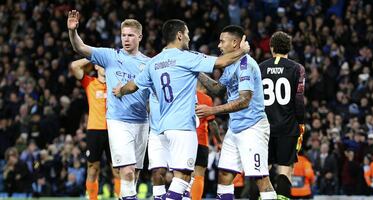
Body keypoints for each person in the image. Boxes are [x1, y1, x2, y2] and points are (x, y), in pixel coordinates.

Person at [113, 19, 249, 199]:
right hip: (182, 126)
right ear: (179, 35)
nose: (189, 38)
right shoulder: (187, 57)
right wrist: (242, 51)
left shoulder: (153, 62)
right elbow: (221, 62)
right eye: (187, 35)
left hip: (161, 127)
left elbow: (131, 86)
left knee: (167, 177)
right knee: (184, 176)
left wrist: (119, 91)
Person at [67, 10, 150, 200]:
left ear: (140, 36)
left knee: (133, 173)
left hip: (141, 122)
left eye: (130, 35)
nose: (126, 39)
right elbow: (80, 48)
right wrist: (73, 32)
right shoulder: (110, 56)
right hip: (117, 122)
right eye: (123, 35)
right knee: (126, 171)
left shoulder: (148, 63)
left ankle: (124, 196)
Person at [196, 25, 277, 200]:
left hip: (253, 127)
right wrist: (196, 71)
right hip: (236, 128)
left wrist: (212, 110)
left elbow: (244, 100)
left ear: (234, 43)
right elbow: (218, 89)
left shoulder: (245, 65)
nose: (219, 45)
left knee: (260, 177)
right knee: (225, 174)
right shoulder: (231, 65)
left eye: (222, 41)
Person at [258, 31, 306, 199]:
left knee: (264, 170)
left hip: (264, 126)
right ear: (289, 48)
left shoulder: (260, 67)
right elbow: (299, 99)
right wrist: (301, 122)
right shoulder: (297, 68)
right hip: (288, 127)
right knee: (285, 170)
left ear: (271, 48)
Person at [69, 58, 120, 199]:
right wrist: (92, 56)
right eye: (101, 63)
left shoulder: (116, 84)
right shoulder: (89, 82)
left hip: (113, 130)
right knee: (92, 169)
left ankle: (120, 197)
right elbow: (74, 66)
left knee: (117, 170)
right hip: (94, 130)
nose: (104, 66)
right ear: (96, 66)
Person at [191, 82, 221, 200]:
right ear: (203, 86)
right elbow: (212, 124)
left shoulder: (182, 95)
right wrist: (218, 141)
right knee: (198, 175)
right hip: (200, 141)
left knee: (182, 174)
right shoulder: (206, 99)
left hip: (182, 140)